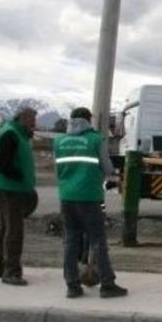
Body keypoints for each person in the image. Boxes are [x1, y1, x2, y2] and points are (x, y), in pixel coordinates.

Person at [54, 107, 127, 299]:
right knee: (97, 241)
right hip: (89, 198)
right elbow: (108, 167)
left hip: (67, 197)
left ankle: (72, 285)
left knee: (70, 242)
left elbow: (58, 170)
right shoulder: (95, 139)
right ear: (88, 120)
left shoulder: (59, 142)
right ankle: (107, 284)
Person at [0, 107, 38, 286]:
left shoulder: (18, 134)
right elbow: (2, 163)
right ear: (21, 118)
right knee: (14, 230)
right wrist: (20, 178)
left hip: (10, 188)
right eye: (31, 120)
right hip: (11, 190)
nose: (34, 124)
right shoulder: (10, 134)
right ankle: (11, 271)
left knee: (5, 227)